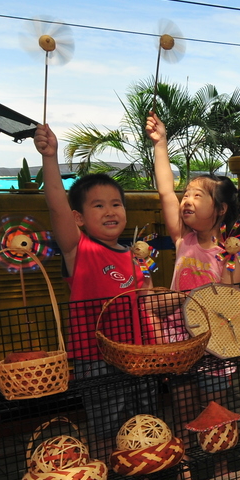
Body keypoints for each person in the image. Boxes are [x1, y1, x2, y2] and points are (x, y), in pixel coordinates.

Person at [35, 122, 143, 359]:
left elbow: (146, 304)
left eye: (116, 204)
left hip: (137, 356)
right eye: (98, 206)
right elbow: (57, 206)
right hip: (95, 359)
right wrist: (50, 157)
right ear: (78, 217)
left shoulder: (135, 256)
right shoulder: (79, 249)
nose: (110, 211)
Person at [146, 112, 240, 292]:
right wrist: (160, 143)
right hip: (175, 321)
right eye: (186, 195)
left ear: (221, 208)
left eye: (197, 196)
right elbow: (166, 192)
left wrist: (179, 300)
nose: (187, 201)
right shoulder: (184, 238)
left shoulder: (233, 254)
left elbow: (225, 300)